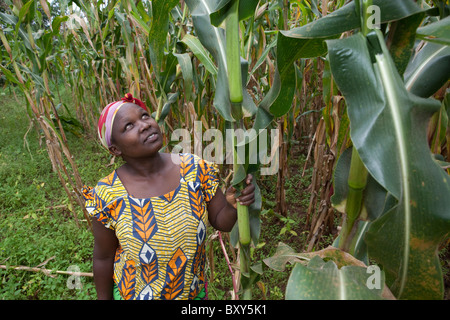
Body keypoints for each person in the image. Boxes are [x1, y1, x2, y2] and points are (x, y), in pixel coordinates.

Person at [82, 93, 255, 300]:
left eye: (145, 116)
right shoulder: (107, 194)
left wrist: (232, 205)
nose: (144, 125)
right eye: (128, 126)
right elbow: (103, 256)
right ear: (115, 149)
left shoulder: (194, 169)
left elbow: (220, 220)